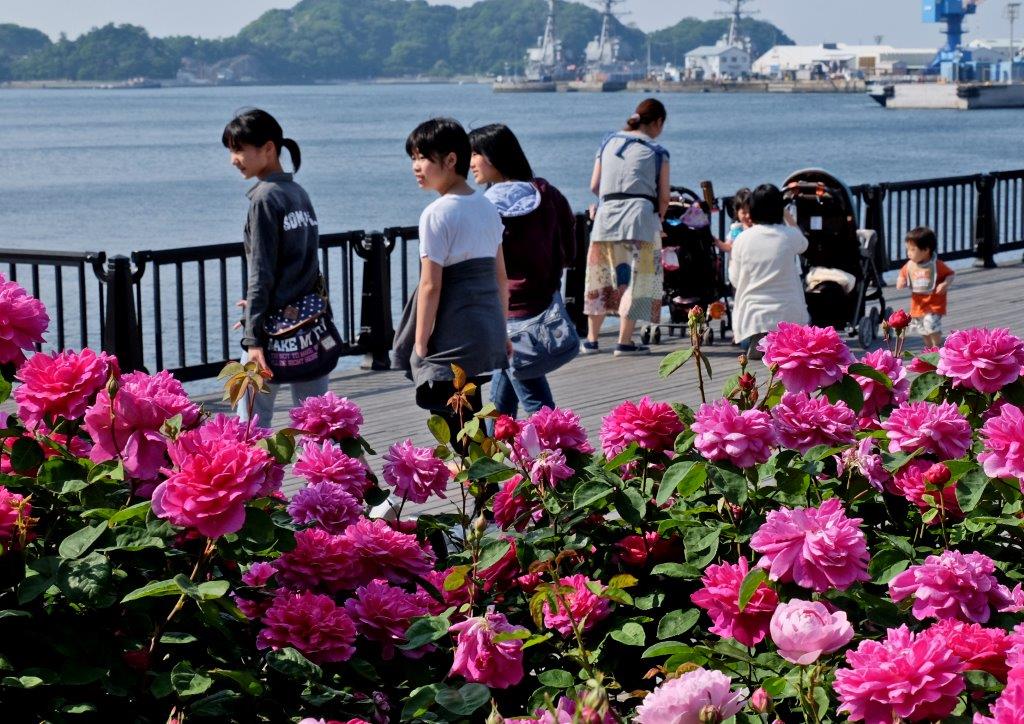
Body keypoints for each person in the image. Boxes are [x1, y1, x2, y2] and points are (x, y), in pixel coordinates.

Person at [393, 118, 510, 442]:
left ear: (450, 160)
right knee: (469, 408)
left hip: (454, 330)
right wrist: (502, 330)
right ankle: (485, 483)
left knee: (453, 422)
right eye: (413, 158)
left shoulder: (436, 213)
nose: (416, 167)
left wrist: (420, 341)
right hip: (486, 328)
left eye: (423, 158)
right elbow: (501, 277)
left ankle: (483, 486)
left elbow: (431, 284)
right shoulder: (487, 207)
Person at [223, 108, 329, 425]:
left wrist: (253, 338)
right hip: (308, 326)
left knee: (251, 428)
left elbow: (261, 272)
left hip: (270, 332)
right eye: (231, 150)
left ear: (268, 148)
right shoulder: (297, 193)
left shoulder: (266, 198)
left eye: (239, 149)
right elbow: (305, 266)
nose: (233, 159)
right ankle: (339, 475)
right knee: (319, 421)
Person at [468, 123, 576, 418]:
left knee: (536, 403)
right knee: (501, 401)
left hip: (504, 311)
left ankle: (565, 456)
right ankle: (489, 458)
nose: (470, 162)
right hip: (544, 304)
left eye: (475, 153)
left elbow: (478, 263)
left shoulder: (485, 206)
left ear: (493, 156)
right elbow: (569, 249)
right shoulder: (547, 193)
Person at [582, 98, 671, 357]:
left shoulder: (608, 142)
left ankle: (591, 340)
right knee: (639, 279)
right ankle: (624, 341)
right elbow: (664, 196)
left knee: (600, 276)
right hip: (640, 217)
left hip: (606, 215)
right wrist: (660, 217)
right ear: (658, 122)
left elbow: (594, 186)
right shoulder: (657, 151)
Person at [728, 184, 809, 359]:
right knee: (792, 339)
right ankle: (780, 342)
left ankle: (762, 342)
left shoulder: (742, 239)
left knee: (752, 337)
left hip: (752, 318)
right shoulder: (789, 236)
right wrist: (786, 214)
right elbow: (804, 244)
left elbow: (734, 279)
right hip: (790, 313)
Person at [896, 226, 954, 348]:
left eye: (912, 250)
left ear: (926, 250)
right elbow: (903, 274)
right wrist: (901, 281)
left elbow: (950, 274)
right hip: (918, 305)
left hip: (934, 304)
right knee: (922, 329)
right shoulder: (910, 265)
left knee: (931, 324)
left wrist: (945, 284)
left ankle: (936, 346)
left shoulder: (936, 265)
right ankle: (928, 348)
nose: (908, 253)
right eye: (908, 249)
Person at [716, 187, 752, 254]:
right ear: (737, 212)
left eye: (751, 212)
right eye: (744, 212)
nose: (748, 215)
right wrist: (715, 241)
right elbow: (728, 247)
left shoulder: (758, 228)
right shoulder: (736, 229)